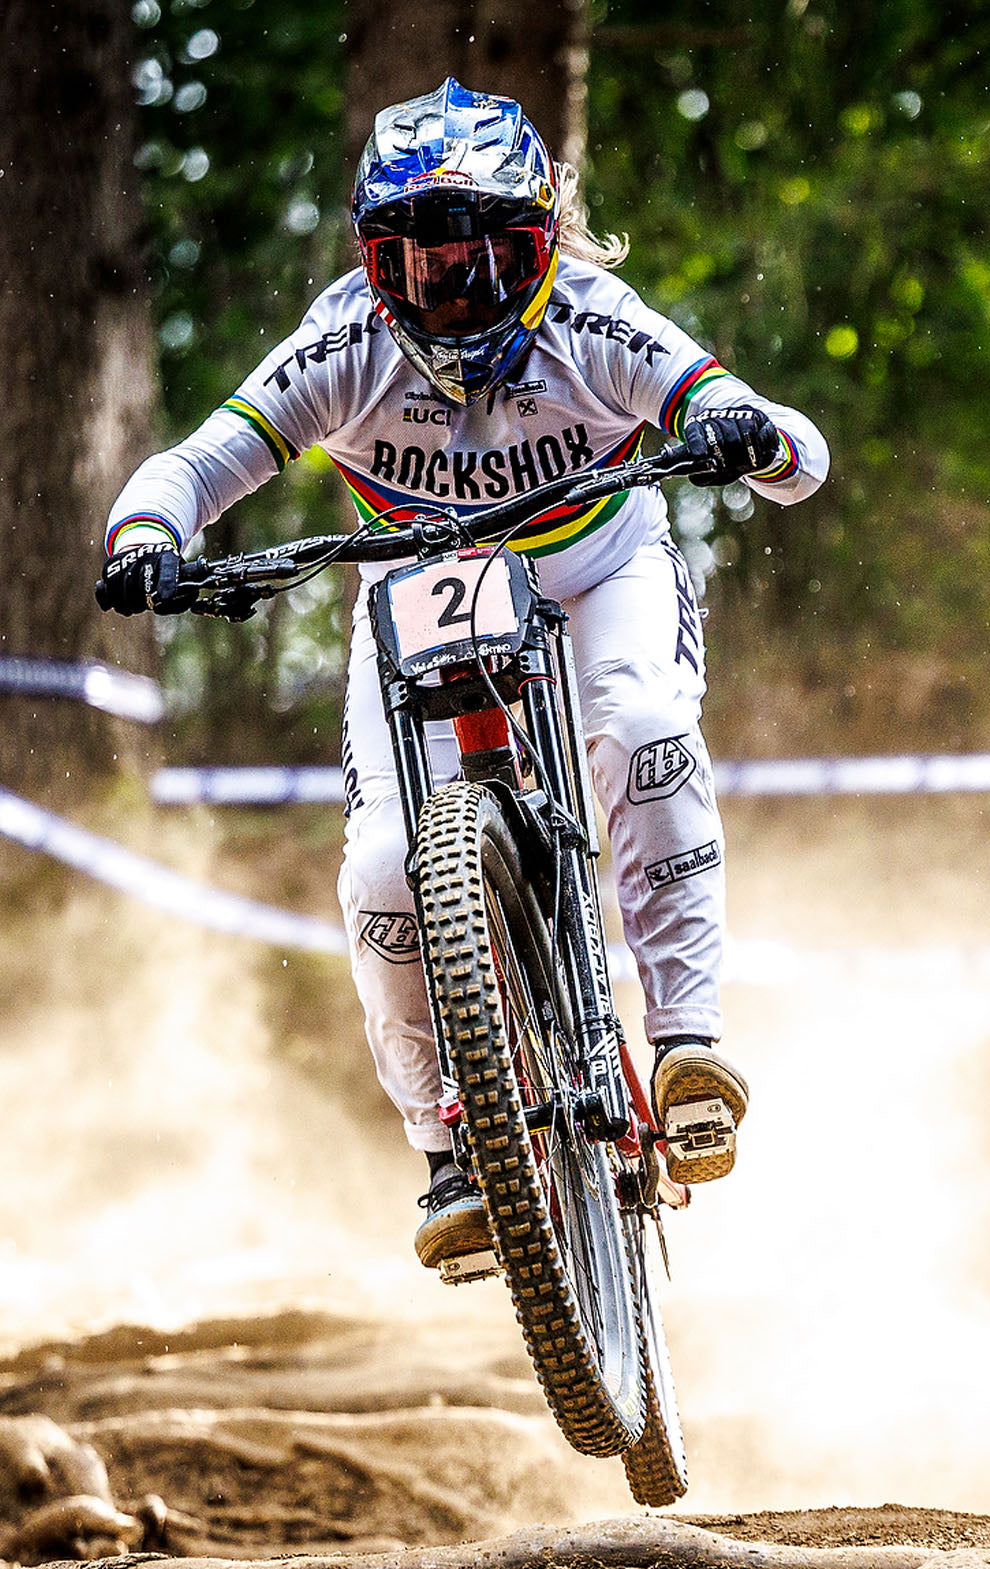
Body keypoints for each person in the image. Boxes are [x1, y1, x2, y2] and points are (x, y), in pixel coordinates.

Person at [98, 77, 829, 1270]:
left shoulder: (594, 321)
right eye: (421, 263)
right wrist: (145, 538)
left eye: (489, 257)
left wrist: (751, 433)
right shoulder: (342, 345)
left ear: (544, 242)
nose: (455, 288)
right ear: (372, 265)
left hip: (596, 574)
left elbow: (788, 446)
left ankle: (686, 1043)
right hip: (415, 599)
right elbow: (192, 464)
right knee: (387, 870)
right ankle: (449, 1151)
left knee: (641, 725)